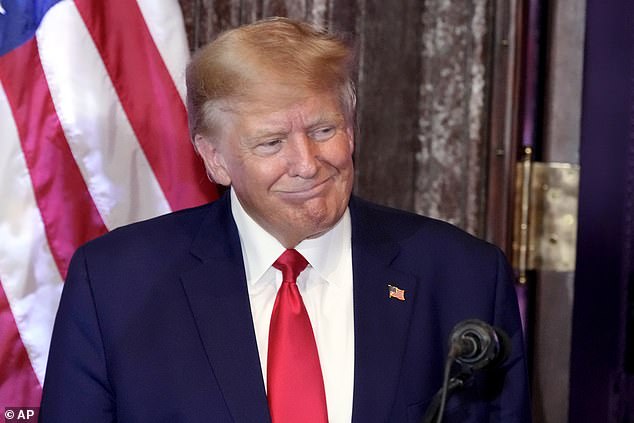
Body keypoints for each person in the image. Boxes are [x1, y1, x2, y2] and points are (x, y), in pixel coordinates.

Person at [39, 17, 530, 423]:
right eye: (272, 142)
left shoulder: (463, 275)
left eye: (323, 129)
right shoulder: (115, 284)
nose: (308, 162)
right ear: (214, 160)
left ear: (351, 128)